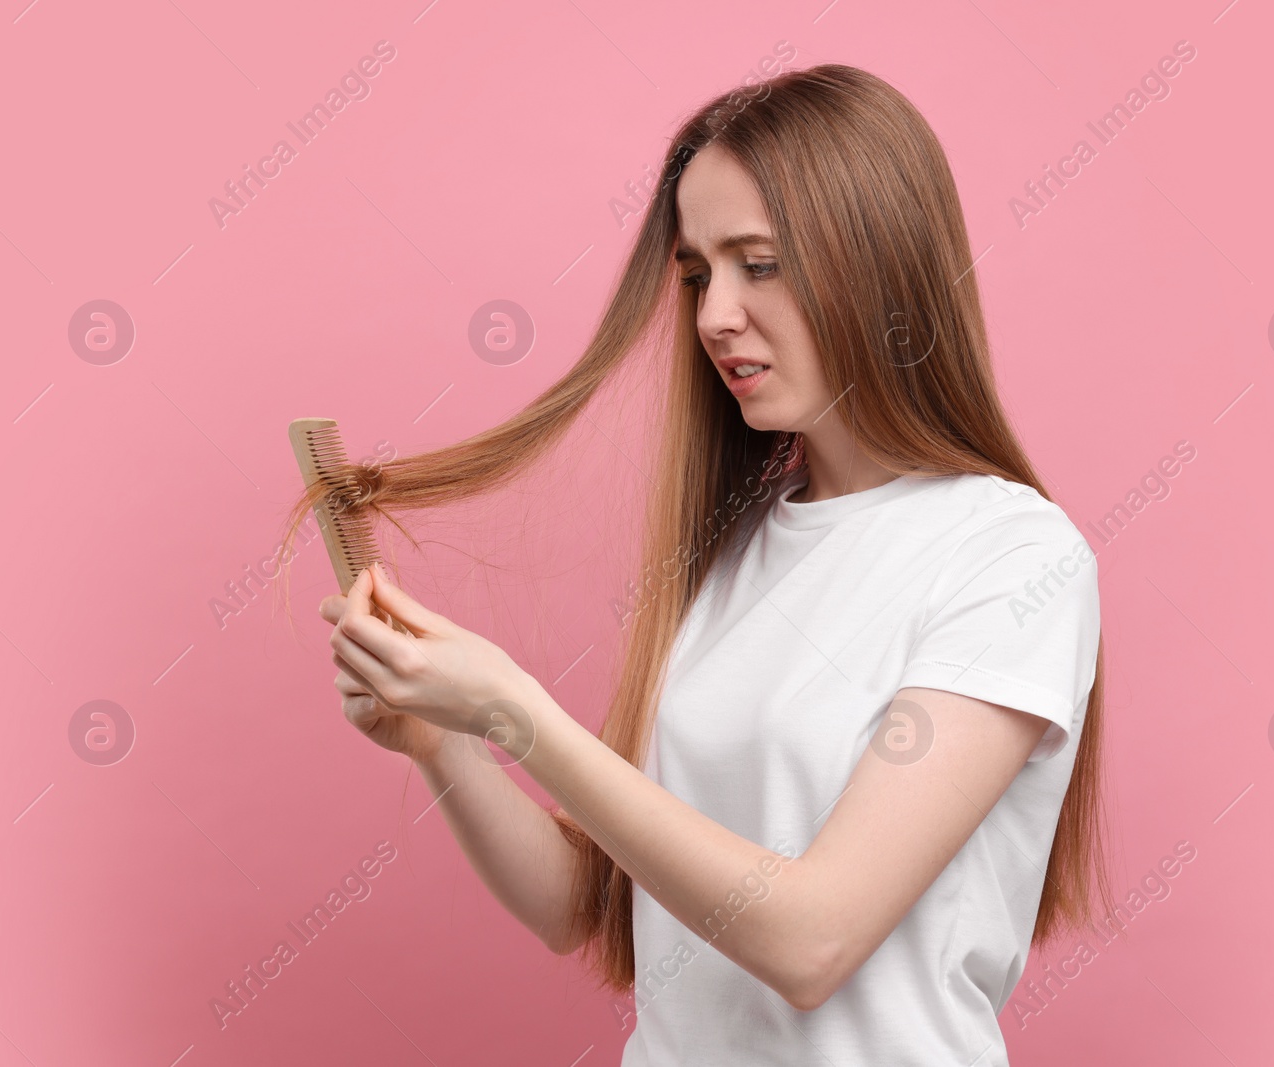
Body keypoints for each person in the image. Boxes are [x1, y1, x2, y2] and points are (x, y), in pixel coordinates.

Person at [297, 62, 1108, 1066]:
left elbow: (814, 936)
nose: (714, 314)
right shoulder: (733, 541)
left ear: (879, 265)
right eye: (696, 274)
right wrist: (445, 739)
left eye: (757, 263)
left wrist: (514, 707)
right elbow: (579, 907)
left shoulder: (1009, 557)